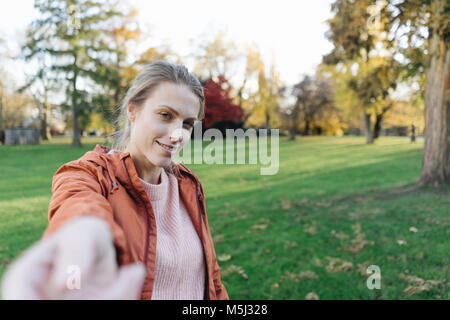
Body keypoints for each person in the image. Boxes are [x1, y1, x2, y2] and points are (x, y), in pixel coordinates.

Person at [1, 60, 229, 300]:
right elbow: (77, 202)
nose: (176, 134)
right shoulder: (90, 174)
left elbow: (212, 280)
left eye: (187, 123)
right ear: (133, 110)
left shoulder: (188, 184)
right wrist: (83, 232)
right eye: (165, 115)